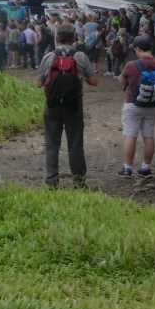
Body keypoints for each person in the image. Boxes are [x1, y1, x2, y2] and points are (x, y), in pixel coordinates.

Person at [35, 23, 98, 188]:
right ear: (73, 39)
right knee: (75, 144)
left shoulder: (49, 57)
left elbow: (38, 84)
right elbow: (94, 81)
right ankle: (79, 181)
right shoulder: (80, 57)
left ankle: (52, 181)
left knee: (52, 145)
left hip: (52, 105)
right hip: (73, 105)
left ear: (57, 38)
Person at [118, 35, 155, 178]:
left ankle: (127, 168)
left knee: (130, 136)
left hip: (133, 104)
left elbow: (122, 81)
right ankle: (146, 167)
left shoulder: (131, 65)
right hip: (151, 105)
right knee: (149, 136)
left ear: (138, 49)